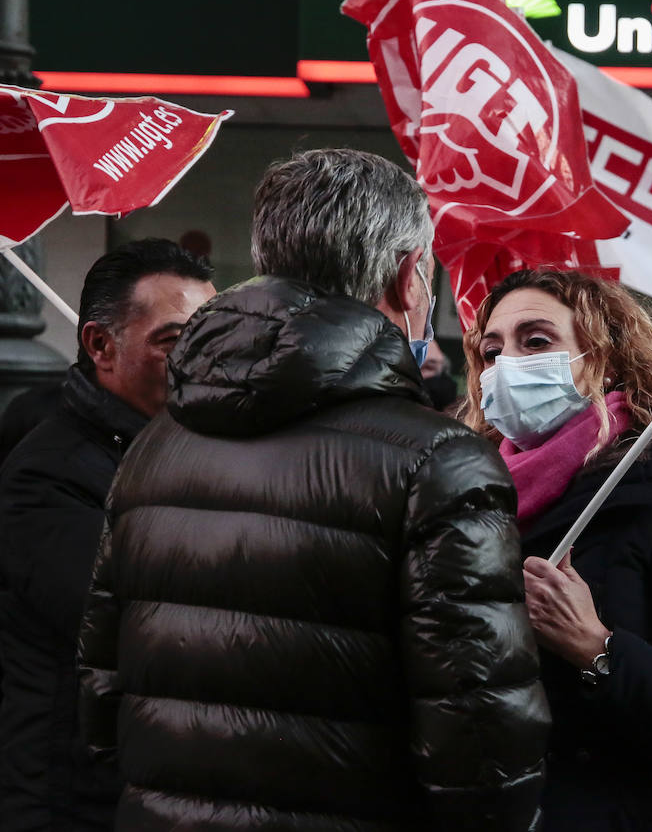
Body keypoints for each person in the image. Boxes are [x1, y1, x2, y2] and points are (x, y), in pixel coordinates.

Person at [76, 149, 549, 831]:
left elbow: (99, 699)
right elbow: (482, 740)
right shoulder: (440, 461)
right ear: (408, 274)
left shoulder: (155, 442)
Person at [461, 269, 652, 832]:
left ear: (603, 359)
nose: (505, 365)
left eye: (536, 341)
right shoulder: (466, 501)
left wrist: (597, 648)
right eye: (490, 351)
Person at [0, 239, 215, 830]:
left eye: (213, 340)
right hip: (73, 800)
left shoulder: (190, 449)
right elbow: (131, 624)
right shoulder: (47, 473)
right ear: (101, 345)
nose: (202, 363)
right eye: (175, 343)